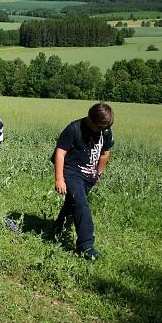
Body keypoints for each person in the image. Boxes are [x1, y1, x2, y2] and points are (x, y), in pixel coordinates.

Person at [52, 102, 114, 261]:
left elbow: (105, 153)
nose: (102, 131)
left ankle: (57, 231)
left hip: (89, 175)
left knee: (72, 205)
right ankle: (86, 245)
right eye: (99, 127)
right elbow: (60, 153)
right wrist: (59, 178)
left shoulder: (105, 131)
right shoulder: (74, 129)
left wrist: (99, 172)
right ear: (91, 120)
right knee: (80, 203)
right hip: (71, 171)